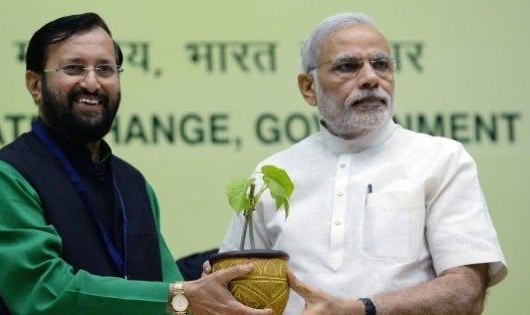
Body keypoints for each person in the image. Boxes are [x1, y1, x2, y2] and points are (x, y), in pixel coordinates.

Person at [0, 12, 272, 315]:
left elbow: (169, 289)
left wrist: (211, 286)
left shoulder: (132, 182)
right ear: (35, 84)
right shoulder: (4, 178)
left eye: (105, 69)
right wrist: (181, 295)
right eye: (74, 68)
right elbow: (45, 294)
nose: (92, 83)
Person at [217, 12, 507, 314]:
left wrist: (360, 310)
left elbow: (466, 292)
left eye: (381, 64)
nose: (371, 78)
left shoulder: (442, 159)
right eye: (348, 66)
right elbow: (229, 290)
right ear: (308, 88)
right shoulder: (273, 174)